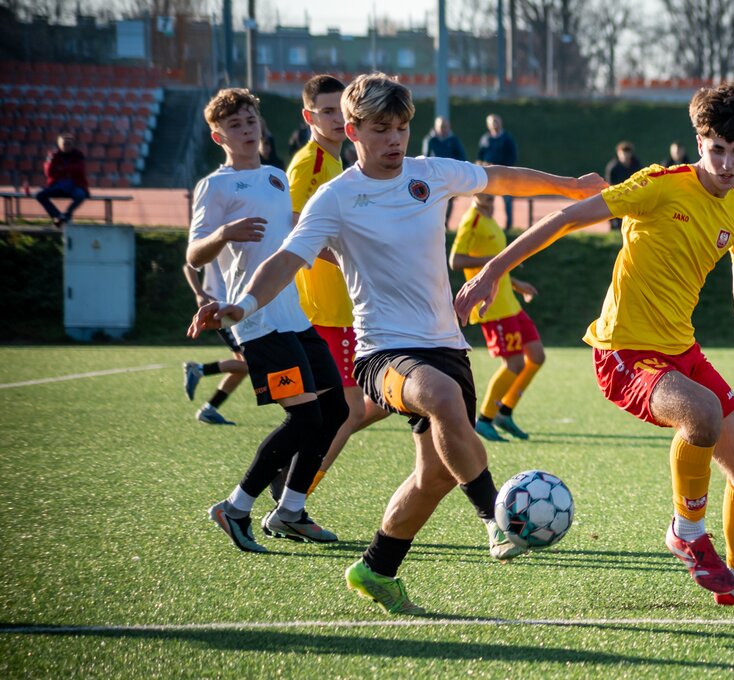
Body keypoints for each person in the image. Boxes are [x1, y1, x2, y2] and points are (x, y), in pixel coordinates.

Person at [187, 73, 605, 615]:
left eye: (402, 128)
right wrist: (241, 305)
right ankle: (494, 517)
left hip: (447, 345)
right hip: (382, 354)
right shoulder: (335, 197)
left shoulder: (430, 173)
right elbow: (285, 260)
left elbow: (502, 177)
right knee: (440, 397)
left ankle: (377, 568)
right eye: (381, 129)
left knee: (434, 476)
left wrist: (569, 186)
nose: (395, 140)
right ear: (353, 130)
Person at [456, 80, 734, 608]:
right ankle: (686, 532)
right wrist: (493, 271)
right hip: (623, 353)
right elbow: (566, 219)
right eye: (717, 149)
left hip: (681, 352)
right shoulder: (656, 185)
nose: (726, 164)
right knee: (702, 413)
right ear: (699, 143)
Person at [186, 87, 349, 553]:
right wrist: (223, 233)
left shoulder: (276, 177)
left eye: (251, 121)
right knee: (304, 417)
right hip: (255, 319)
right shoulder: (215, 186)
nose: (246, 129)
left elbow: (298, 238)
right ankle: (235, 508)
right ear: (218, 136)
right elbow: (194, 254)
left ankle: (290, 511)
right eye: (234, 125)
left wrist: (350, 262)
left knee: (335, 411)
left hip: (293, 315)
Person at [284, 74, 389, 497]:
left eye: (337, 111)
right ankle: (294, 496)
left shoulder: (334, 163)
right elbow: (294, 226)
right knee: (347, 411)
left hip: (344, 307)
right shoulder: (311, 163)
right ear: (308, 116)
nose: (332, 119)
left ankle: (290, 486)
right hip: (326, 308)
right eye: (324, 111)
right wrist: (350, 259)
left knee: (356, 407)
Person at [450, 189, 545, 443]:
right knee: (514, 364)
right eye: (484, 190)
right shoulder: (472, 220)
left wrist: (515, 283)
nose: (489, 194)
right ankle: (485, 419)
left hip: (510, 302)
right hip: (493, 307)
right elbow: (455, 260)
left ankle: (505, 412)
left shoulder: (490, 218)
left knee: (536, 356)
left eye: (492, 189)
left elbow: (494, 268)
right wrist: (492, 259)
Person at [182, 260, 249, 425]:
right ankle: (199, 369)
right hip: (222, 310)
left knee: (243, 366)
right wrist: (199, 293)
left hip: (235, 308)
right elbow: (189, 266)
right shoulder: (219, 245)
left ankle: (209, 409)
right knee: (250, 364)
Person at [35, 132, 89, 228]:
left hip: (75, 185)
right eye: (64, 144)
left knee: (80, 195)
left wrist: (61, 169)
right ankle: (57, 216)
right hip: (57, 186)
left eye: (69, 144)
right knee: (39, 195)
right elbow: (49, 172)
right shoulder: (53, 155)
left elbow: (80, 170)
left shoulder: (78, 155)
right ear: (59, 144)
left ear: (72, 145)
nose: (66, 146)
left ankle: (66, 215)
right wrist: (66, 169)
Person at [422, 116, 468, 226]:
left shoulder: (454, 140)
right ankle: (434, 222)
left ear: (449, 127)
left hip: (450, 175)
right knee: (434, 200)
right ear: (436, 127)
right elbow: (425, 158)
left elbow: (462, 157)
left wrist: (458, 171)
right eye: (441, 126)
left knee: (449, 199)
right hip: (434, 176)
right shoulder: (430, 140)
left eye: (445, 126)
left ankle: (445, 223)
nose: (443, 129)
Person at [477, 113, 518, 229]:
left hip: (504, 176)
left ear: (501, 123)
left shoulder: (507, 138)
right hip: (489, 176)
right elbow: (480, 156)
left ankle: (508, 226)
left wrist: (505, 169)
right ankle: (488, 226)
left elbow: (512, 156)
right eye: (492, 122)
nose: (494, 124)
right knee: (487, 201)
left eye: (496, 121)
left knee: (507, 201)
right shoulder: (485, 139)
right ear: (488, 125)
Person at [604, 141, 644, 230]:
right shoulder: (613, 167)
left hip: (634, 195)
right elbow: (609, 186)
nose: (625, 156)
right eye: (623, 154)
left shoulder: (636, 165)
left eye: (627, 153)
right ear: (618, 153)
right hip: (617, 196)